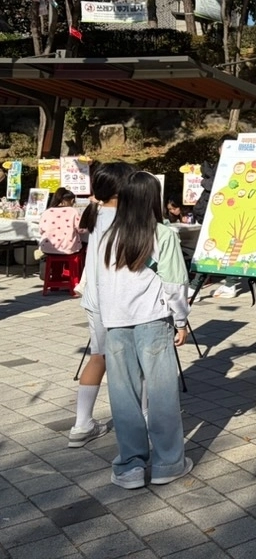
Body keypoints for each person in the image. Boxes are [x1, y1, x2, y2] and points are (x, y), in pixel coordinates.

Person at [85, 171, 193, 489]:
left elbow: (100, 281)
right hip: (153, 322)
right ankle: (167, 463)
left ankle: (130, 466)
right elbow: (175, 284)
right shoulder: (163, 234)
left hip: (115, 323)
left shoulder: (107, 235)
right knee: (161, 396)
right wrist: (182, 321)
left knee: (123, 396)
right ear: (152, 198)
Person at [69, 162, 136, 448]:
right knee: (135, 363)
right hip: (124, 301)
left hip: (95, 299)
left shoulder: (95, 213)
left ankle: (81, 424)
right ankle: (140, 423)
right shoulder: (130, 218)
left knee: (99, 357)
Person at [191, 133, 240, 298]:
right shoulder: (241, 164)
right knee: (228, 248)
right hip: (229, 213)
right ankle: (230, 284)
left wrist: (204, 181)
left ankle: (194, 288)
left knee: (208, 248)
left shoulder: (227, 165)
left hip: (218, 214)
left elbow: (217, 186)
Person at [37, 187, 84, 256]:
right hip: (68, 249)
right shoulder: (73, 211)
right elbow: (81, 229)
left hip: (47, 248)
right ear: (72, 200)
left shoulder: (46, 212)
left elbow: (41, 230)